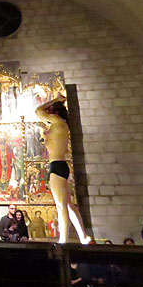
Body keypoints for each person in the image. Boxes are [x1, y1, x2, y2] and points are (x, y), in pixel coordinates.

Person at [36, 95, 91, 244]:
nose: (48, 113)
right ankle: (83, 236)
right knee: (68, 205)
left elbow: (38, 111)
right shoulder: (59, 125)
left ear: (55, 113)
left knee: (61, 206)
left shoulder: (57, 122)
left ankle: (63, 240)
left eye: (50, 111)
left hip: (57, 166)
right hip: (61, 166)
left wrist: (56, 99)